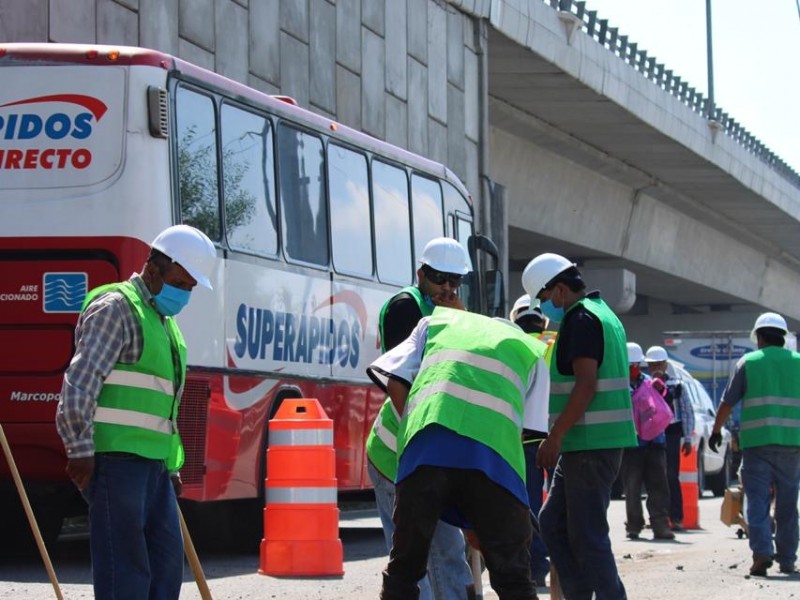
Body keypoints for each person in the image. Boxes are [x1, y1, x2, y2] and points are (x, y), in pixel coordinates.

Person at [56, 224, 217, 599]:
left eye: (191, 287)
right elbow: (81, 380)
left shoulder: (164, 322)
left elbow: (163, 404)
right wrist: (79, 448)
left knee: (164, 569)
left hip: (154, 467)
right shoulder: (116, 308)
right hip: (115, 462)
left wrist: (171, 466)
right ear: (154, 269)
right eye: (182, 282)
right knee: (126, 573)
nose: (185, 293)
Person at [368, 307, 549, 600]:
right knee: (514, 579)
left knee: (404, 571)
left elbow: (395, 380)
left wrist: (417, 440)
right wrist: (486, 518)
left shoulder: (435, 323)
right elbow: (526, 432)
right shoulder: (531, 351)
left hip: (425, 454)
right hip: (492, 462)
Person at [522, 252, 637, 600]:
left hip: (588, 443)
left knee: (587, 535)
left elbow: (586, 384)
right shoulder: (603, 314)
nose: (543, 309)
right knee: (554, 525)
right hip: (583, 443)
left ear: (558, 291)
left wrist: (553, 438)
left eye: (543, 300)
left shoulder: (581, 319)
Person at [366, 237, 474, 599]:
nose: (447, 288)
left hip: (436, 454)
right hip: (398, 452)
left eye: (454, 281)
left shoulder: (450, 314)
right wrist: (420, 445)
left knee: (447, 551)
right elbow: (403, 383)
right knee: (412, 559)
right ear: (421, 274)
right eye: (439, 279)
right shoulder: (405, 308)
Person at [710, 312, 800, 577]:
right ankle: (787, 559)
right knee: (787, 504)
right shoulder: (798, 363)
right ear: (783, 338)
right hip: (792, 447)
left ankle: (762, 553)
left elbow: (727, 402)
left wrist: (716, 431)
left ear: (759, 337)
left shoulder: (748, 362)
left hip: (757, 447)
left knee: (758, 502)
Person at [509, 294, 551, 587]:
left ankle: (532, 565)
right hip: (554, 437)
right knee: (540, 507)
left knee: (520, 506)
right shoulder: (554, 343)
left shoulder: (509, 344)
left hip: (518, 438)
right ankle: (540, 566)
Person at [621, 343, 674, 541]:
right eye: (630, 366)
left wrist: (663, 389)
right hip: (632, 445)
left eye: (636, 365)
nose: (633, 369)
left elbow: (665, 400)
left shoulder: (651, 384)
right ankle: (634, 525)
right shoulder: (619, 387)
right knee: (632, 488)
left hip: (655, 443)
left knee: (658, 485)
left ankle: (660, 524)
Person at [643, 345, 694, 531]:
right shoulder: (645, 385)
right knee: (654, 478)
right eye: (651, 364)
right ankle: (658, 518)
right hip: (651, 436)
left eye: (658, 363)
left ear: (665, 364)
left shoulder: (677, 385)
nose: (655, 367)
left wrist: (687, 438)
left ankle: (677, 518)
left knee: (671, 476)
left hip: (671, 434)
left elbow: (687, 411)